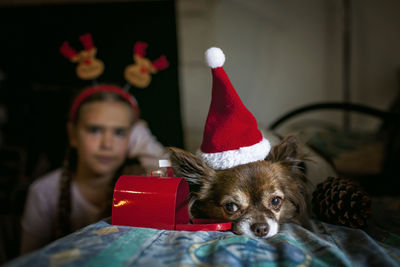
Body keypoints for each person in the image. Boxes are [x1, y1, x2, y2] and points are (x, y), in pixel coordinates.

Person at [20, 84, 165, 254]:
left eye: (119, 133)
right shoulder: (43, 192)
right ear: (73, 134)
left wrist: (143, 141)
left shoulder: (139, 187)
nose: (107, 144)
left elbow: (172, 177)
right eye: (95, 130)